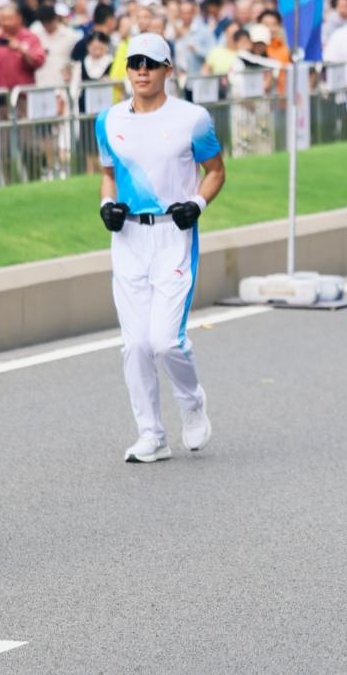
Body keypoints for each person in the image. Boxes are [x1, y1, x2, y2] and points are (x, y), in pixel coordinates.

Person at [94, 33, 226, 463]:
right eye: (135, 63)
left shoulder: (193, 119)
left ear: (169, 69)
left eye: (152, 63)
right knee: (134, 344)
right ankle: (151, 433)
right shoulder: (109, 121)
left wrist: (197, 203)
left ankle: (191, 402)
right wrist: (105, 205)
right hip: (128, 238)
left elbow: (216, 171)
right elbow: (108, 175)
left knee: (166, 340)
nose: (142, 71)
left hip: (173, 235)